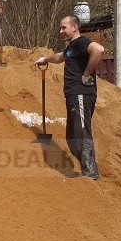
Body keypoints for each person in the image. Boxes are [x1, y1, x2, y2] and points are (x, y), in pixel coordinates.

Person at [36, 15, 105, 180]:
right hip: (73, 95)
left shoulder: (82, 42)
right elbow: (60, 57)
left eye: (63, 28)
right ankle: (86, 168)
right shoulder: (72, 47)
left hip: (81, 93)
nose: (61, 31)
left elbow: (99, 50)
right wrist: (45, 59)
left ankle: (90, 172)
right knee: (72, 136)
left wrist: (87, 74)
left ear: (74, 27)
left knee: (81, 131)